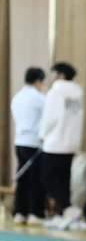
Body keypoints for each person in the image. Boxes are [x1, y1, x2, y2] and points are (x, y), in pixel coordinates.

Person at [37, 62, 84, 223]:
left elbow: (50, 118)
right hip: (71, 143)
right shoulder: (77, 94)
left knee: (46, 177)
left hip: (55, 143)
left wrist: (42, 134)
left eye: (53, 73)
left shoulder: (55, 92)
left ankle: (68, 207)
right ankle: (64, 213)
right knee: (63, 179)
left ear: (61, 75)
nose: (50, 77)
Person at [10, 67, 46, 224]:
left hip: (19, 142)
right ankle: (35, 213)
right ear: (38, 81)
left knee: (22, 177)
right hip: (35, 143)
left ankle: (20, 212)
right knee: (35, 179)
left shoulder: (17, 97)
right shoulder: (40, 98)